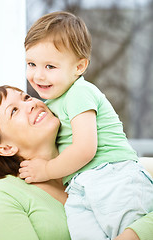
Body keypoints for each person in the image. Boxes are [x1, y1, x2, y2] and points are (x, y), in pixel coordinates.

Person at [19, 11, 153, 239]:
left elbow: (84, 149)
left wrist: (46, 170)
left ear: (79, 67)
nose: (38, 75)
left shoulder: (79, 92)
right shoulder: (51, 103)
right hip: (80, 188)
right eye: (31, 64)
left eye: (50, 67)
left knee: (128, 230)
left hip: (113, 175)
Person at [0, 85, 153, 240]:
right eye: (14, 111)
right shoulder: (5, 193)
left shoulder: (94, 163)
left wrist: (132, 236)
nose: (31, 105)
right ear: (6, 148)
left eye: (26, 98)